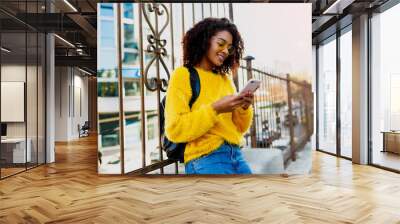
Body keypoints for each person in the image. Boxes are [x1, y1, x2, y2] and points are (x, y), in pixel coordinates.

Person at [165, 18, 254, 174]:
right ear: (204, 40)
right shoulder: (183, 75)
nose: (226, 51)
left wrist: (244, 107)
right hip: (204, 158)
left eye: (230, 48)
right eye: (221, 44)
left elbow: (240, 128)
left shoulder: (225, 79)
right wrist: (215, 109)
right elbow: (175, 129)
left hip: (236, 156)